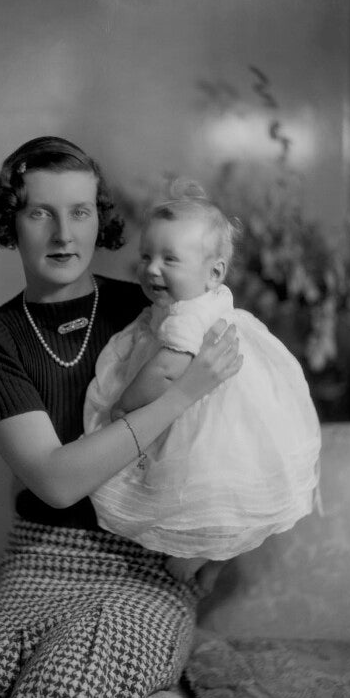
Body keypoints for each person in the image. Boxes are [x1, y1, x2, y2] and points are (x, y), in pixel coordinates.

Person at [0, 137, 243, 698]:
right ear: (9, 222)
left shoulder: (156, 305)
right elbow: (57, 482)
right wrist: (178, 396)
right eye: (41, 212)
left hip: (145, 564)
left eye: (82, 211)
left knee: (64, 684)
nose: (65, 233)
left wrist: (220, 550)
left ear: (101, 218)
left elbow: (240, 425)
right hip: (42, 558)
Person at [84, 179, 322, 583]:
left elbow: (166, 371)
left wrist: (126, 405)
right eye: (146, 256)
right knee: (222, 501)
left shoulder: (188, 317)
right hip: (234, 412)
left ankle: (195, 560)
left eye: (169, 260)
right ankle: (214, 563)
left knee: (195, 495)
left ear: (213, 273)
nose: (151, 269)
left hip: (207, 417)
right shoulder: (203, 301)